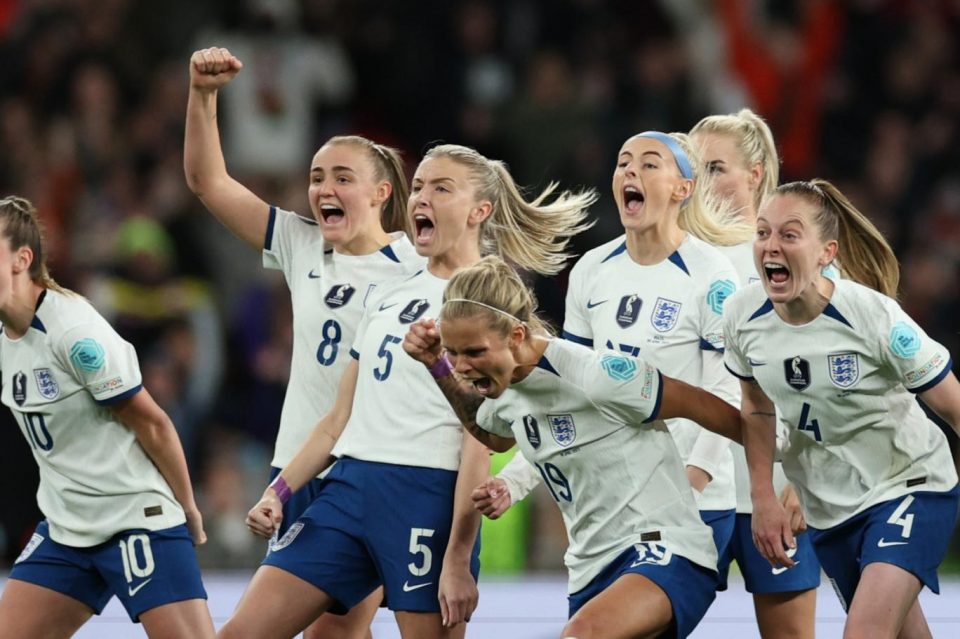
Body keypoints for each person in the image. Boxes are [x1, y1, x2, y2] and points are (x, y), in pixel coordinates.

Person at [219, 144, 597, 639]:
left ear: (479, 211)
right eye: (418, 186)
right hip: (349, 488)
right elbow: (337, 420)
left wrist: (458, 558)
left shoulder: (490, 303)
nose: (421, 198)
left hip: (425, 497)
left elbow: (481, 438)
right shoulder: (389, 290)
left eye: (441, 188)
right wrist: (278, 492)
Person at [184, 46, 422, 638]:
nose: (324, 189)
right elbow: (207, 181)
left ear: (382, 193)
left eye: (343, 177)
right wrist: (203, 95)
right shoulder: (300, 243)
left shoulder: (418, 268)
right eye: (317, 177)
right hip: (296, 464)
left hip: (368, 471)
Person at [403, 255, 747, 638]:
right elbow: (492, 433)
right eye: (452, 352)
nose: (461, 366)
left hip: (661, 546)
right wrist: (436, 366)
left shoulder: (596, 376)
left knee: (581, 634)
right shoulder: (505, 390)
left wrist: (779, 474)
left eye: (474, 352)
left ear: (516, 336)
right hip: (589, 569)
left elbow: (707, 407)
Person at [486, 130, 752, 582]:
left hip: (692, 504)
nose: (630, 171)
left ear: (682, 188)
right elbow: (564, 394)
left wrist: (692, 483)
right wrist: (513, 482)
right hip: (612, 504)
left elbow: (725, 391)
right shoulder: (592, 270)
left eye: (649, 163)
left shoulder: (711, 274)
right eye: (623, 162)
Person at [724, 179, 960, 639]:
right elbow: (756, 407)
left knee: (865, 631)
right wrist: (763, 497)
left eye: (789, 235)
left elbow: (953, 404)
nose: (771, 246)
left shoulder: (872, 315)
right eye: (763, 233)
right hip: (830, 508)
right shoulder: (740, 316)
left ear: (826, 252)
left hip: (910, 484)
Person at [0, 196, 215, 638]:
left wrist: (188, 508)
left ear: (22, 260)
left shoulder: (73, 330)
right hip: (66, 529)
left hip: (135, 519)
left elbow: (152, 422)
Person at [691, 109, 820, 638]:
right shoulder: (670, 259)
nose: (702, 182)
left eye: (716, 168)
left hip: (777, 485)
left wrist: (807, 478)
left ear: (756, 173)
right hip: (691, 490)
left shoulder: (796, 259)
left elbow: (828, 373)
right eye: (693, 168)